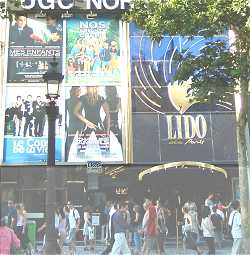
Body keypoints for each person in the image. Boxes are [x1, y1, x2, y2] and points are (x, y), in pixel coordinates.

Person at [74, 86, 110, 153]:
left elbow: (108, 114)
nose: (91, 88)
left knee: (104, 148)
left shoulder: (100, 98)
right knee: (81, 148)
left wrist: (107, 131)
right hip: (91, 124)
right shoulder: (84, 98)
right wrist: (86, 122)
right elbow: (75, 112)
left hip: (94, 124)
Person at [65, 86, 82, 161]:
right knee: (70, 142)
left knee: (79, 142)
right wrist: (64, 124)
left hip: (78, 122)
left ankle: (67, 159)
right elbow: (65, 114)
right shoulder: (68, 101)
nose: (80, 92)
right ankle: (66, 159)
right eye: (78, 90)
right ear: (74, 91)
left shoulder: (80, 100)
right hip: (74, 122)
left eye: (80, 90)